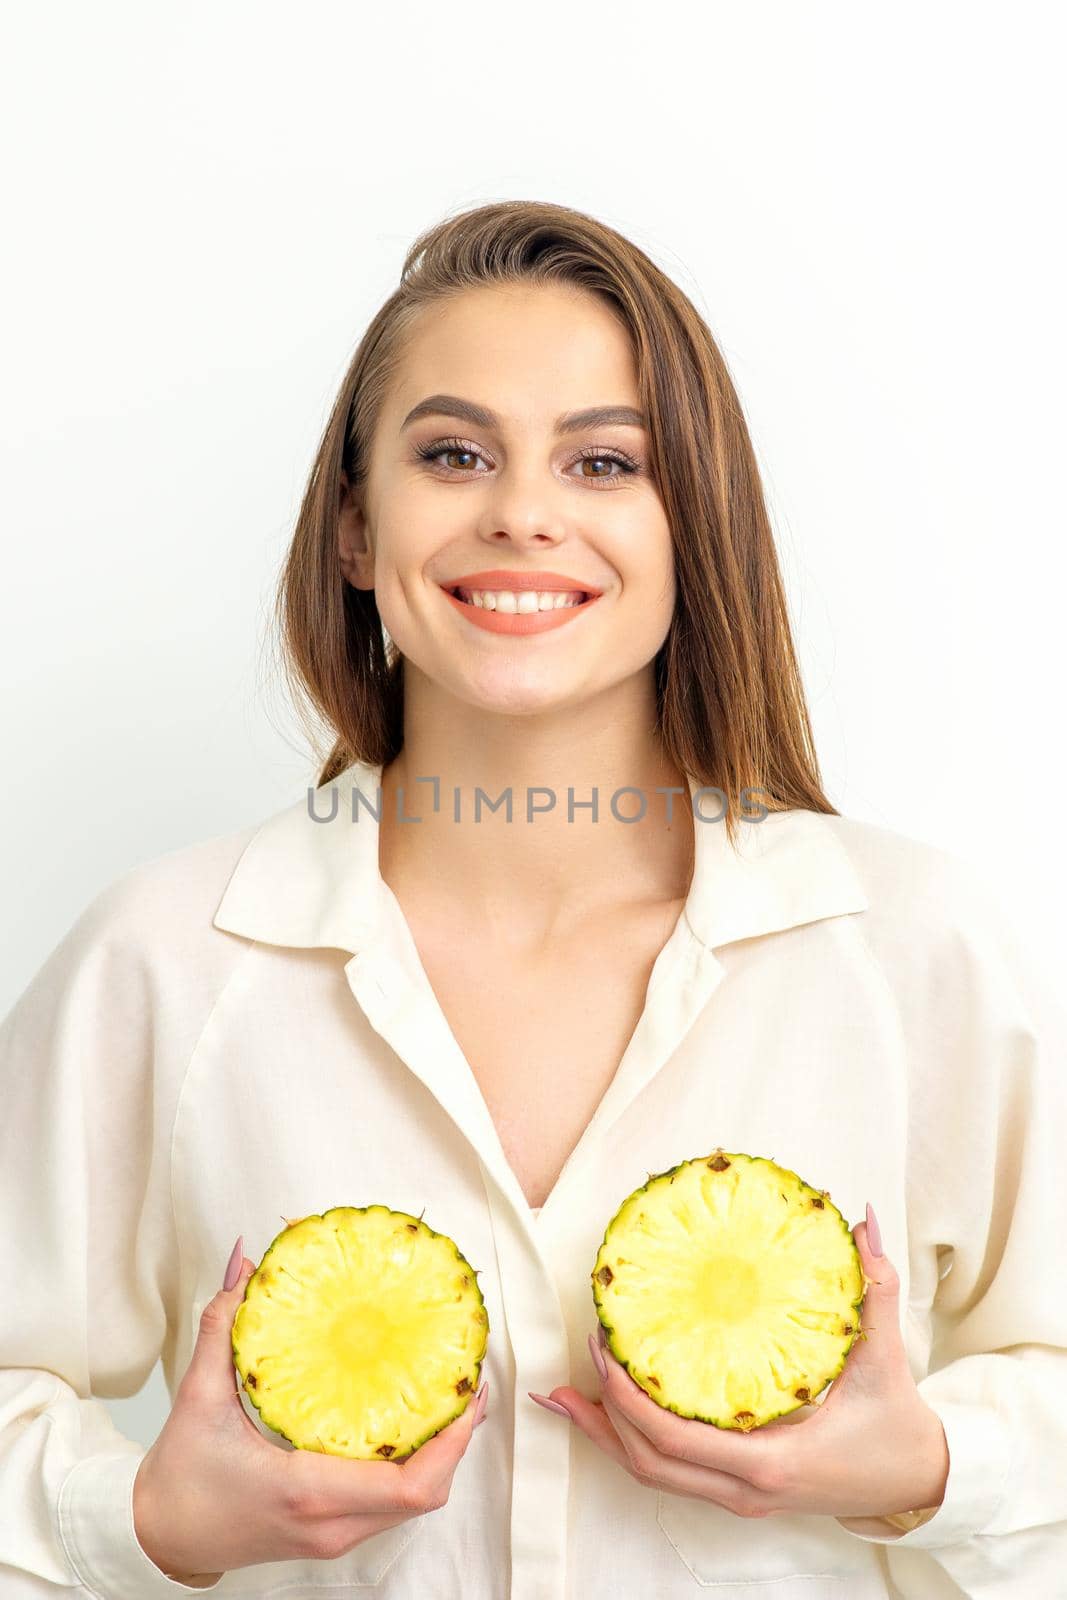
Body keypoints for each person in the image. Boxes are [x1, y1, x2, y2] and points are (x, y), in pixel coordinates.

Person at [1, 199, 1064, 1599]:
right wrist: (145, 1518)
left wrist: (928, 1467)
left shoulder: (913, 951)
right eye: (453, 453)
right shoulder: (163, 961)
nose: (521, 510)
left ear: (696, 530)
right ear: (356, 536)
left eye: (604, 461)